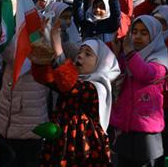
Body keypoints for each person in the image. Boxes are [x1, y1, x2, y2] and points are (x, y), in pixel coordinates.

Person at [30, 21, 120, 166]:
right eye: (79, 52)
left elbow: (70, 86)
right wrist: (41, 54)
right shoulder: (74, 80)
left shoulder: (98, 87)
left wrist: (59, 49)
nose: (80, 56)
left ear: (100, 63)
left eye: (88, 54)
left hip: (85, 149)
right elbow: (49, 80)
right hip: (61, 146)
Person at [110, 16, 168, 167]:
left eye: (144, 33)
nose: (137, 36)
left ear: (154, 36)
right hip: (125, 127)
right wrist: (118, 54)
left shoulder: (160, 61)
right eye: (134, 32)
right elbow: (117, 76)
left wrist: (128, 52)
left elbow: (144, 73)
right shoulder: (127, 57)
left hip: (147, 131)